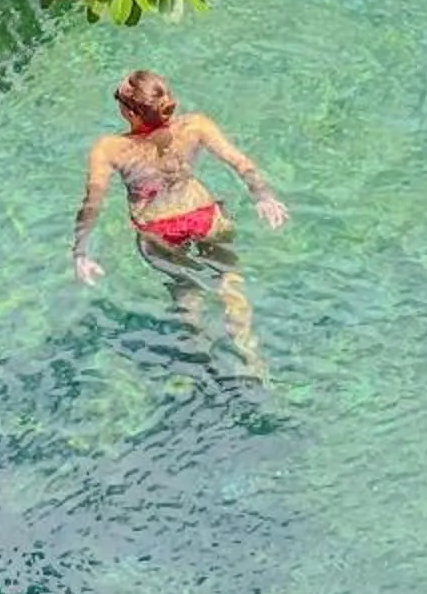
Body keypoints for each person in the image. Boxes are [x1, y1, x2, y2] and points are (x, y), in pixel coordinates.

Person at [72, 71, 287, 378]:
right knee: (229, 281)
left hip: (159, 232)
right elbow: (240, 162)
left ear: (128, 111)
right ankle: (250, 356)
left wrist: (80, 252)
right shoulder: (195, 124)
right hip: (203, 216)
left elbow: (92, 204)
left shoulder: (109, 148)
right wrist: (263, 196)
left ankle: (206, 362)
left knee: (186, 290)